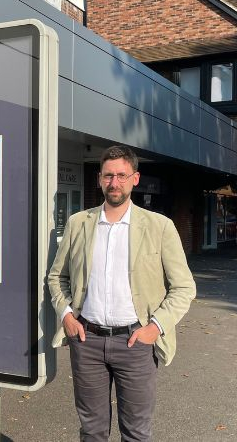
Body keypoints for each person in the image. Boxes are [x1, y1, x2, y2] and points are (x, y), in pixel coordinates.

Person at [47, 145, 196, 442]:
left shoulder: (160, 227)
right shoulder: (79, 224)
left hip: (135, 344)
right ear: (99, 179)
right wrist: (67, 316)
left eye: (121, 176)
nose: (114, 183)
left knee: (136, 433)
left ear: (135, 179)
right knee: (92, 431)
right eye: (108, 176)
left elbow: (184, 287)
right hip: (87, 341)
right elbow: (56, 277)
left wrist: (155, 328)